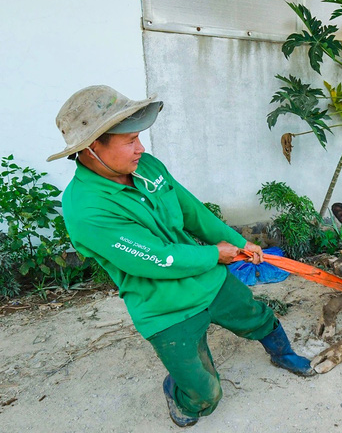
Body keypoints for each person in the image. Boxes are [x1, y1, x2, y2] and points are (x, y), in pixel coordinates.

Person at [48, 85, 314, 428]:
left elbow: (192, 213)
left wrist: (238, 243)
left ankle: (283, 354)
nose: (140, 148)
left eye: (139, 138)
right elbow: (154, 259)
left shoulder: (147, 167)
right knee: (206, 396)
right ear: (91, 147)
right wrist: (216, 255)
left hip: (208, 280)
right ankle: (179, 390)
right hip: (164, 307)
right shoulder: (85, 209)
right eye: (129, 141)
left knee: (257, 316)